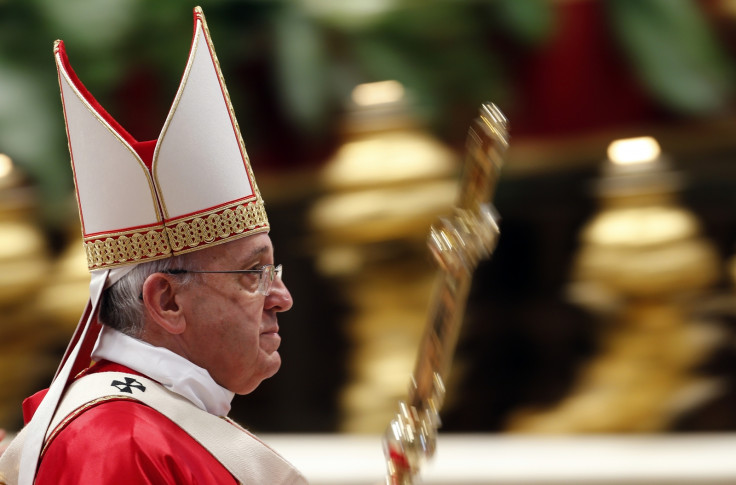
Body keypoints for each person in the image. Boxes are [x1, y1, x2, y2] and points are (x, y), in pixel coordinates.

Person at [0, 6, 307, 485]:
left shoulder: (167, 421)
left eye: (273, 271)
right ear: (166, 301)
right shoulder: (116, 444)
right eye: (253, 273)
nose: (282, 298)